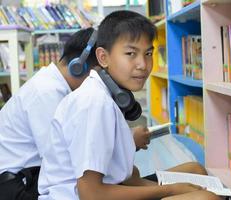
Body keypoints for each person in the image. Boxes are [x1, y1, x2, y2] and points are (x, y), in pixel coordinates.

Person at [38, 10, 220, 200]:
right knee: (207, 199)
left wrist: (178, 188)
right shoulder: (94, 103)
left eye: (148, 53)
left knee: (195, 170)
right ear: (103, 57)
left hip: (112, 187)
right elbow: (91, 194)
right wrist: (170, 191)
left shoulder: (107, 94)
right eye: (130, 53)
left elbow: (128, 175)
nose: (142, 64)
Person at [0, 27, 152, 200]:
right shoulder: (46, 93)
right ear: (79, 67)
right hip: (17, 185)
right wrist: (128, 142)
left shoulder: (58, 87)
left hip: (31, 176)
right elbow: (69, 156)